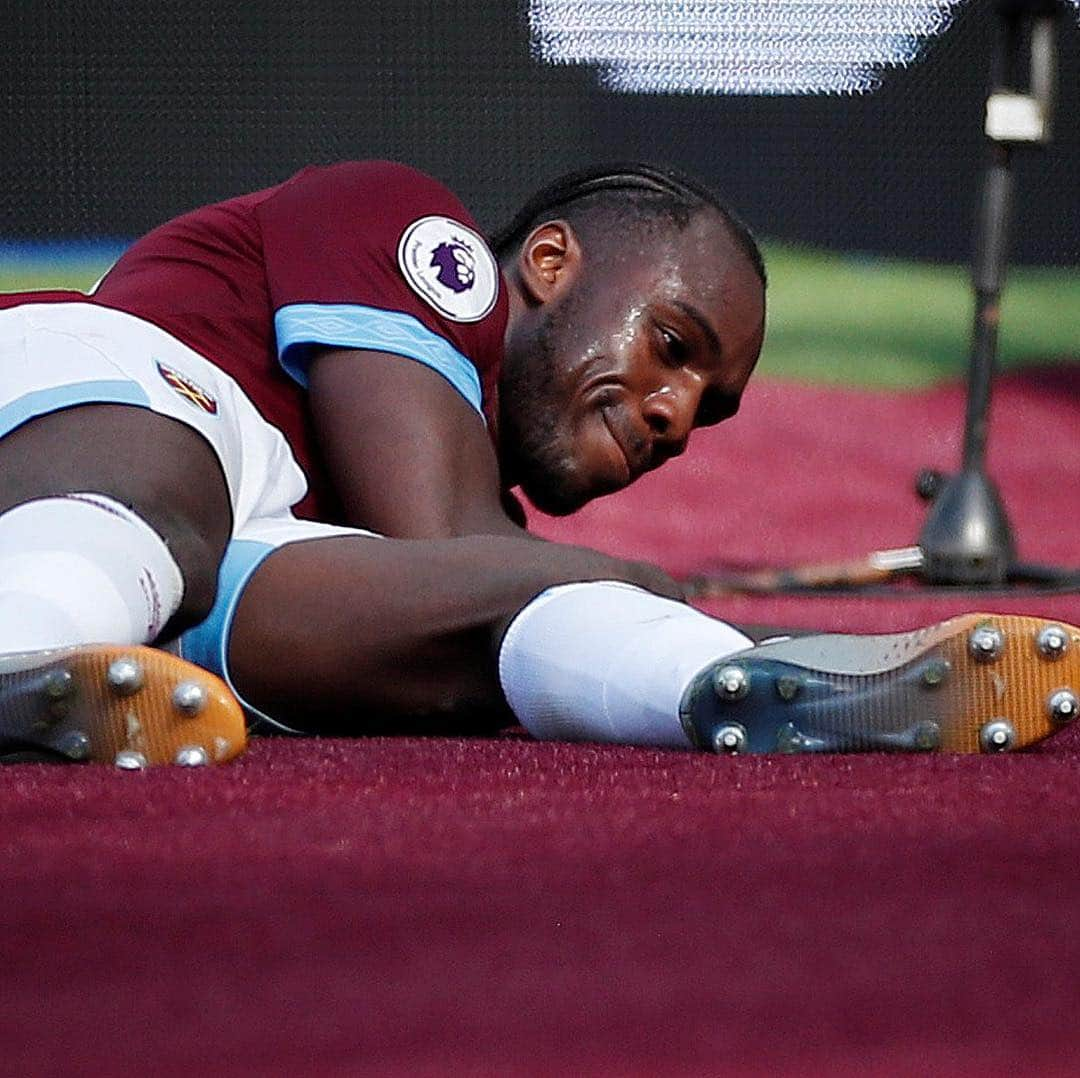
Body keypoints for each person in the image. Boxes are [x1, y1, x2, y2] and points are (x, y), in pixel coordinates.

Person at [1, 161, 1076, 767]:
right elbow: (447, 541)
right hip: (97, 391)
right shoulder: (410, 230)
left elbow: (456, 581)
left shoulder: (454, 507)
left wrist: (647, 609)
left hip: (213, 548)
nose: (674, 414)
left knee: (488, 631)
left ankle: (763, 691)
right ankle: (18, 648)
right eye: (672, 344)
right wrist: (645, 583)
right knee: (180, 509)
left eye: (709, 407)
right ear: (550, 263)